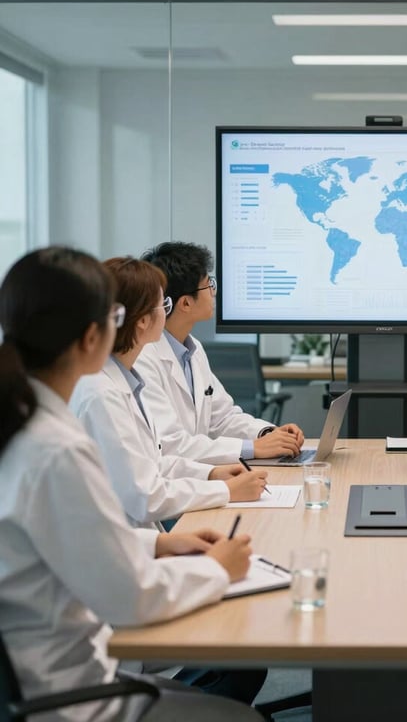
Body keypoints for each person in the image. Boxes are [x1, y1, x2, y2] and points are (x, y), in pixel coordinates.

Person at [0, 246, 265, 722]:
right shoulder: (58, 446)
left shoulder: (28, 423)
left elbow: (74, 539)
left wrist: (159, 545)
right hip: (75, 695)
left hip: (48, 668)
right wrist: (219, 569)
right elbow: (130, 596)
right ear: (90, 336)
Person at [70, 257, 269, 527]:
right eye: (164, 304)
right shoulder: (101, 394)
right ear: (142, 321)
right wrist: (226, 491)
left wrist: (212, 474)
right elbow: (144, 495)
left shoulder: (126, 380)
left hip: (144, 534)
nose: (167, 312)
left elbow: (155, 462)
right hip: (125, 543)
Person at [135, 242, 304, 465]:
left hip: (198, 477)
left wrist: (268, 434)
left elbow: (222, 418)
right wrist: (253, 448)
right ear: (185, 303)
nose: (214, 292)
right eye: (209, 285)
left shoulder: (192, 349)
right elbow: (171, 444)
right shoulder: (144, 359)